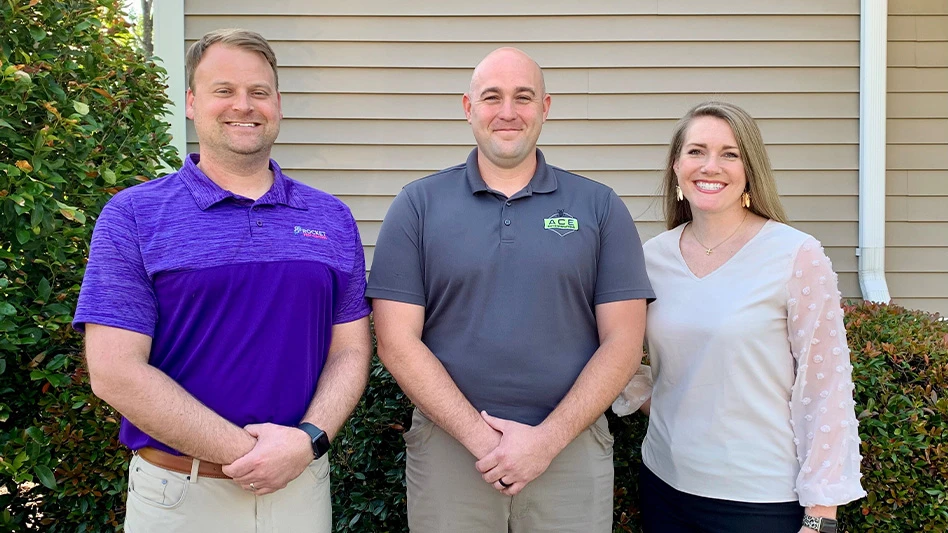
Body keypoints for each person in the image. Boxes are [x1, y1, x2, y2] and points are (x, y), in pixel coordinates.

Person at [73, 29, 372, 532]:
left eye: (259, 92)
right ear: (191, 102)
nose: (244, 105)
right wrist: (253, 455)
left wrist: (307, 440)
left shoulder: (331, 217)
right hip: (179, 496)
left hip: (301, 488)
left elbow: (350, 351)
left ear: (278, 103)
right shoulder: (134, 215)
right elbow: (115, 371)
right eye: (223, 90)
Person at [366, 47, 655, 532]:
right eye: (491, 97)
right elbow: (396, 340)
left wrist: (545, 442)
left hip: (571, 451)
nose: (507, 112)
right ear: (468, 107)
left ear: (545, 107)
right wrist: (486, 443)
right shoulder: (417, 206)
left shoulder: (600, 207)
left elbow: (624, 343)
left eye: (523, 97)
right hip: (449, 453)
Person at [613, 101, 865, 533]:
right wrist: (653, 400)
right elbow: (612, 349)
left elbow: (827, 389)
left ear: (750, 168)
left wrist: (821, 516)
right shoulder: (651, 258)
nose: (710, 166)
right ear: (676, 165)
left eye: (729, 153)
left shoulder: (795, 255)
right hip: (665, 487)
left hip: (760, 500)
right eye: (696, 151)